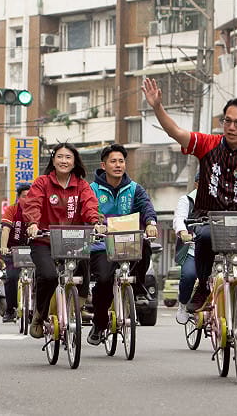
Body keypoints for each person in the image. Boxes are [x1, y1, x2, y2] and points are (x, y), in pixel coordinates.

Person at [143, 78, 237, 360]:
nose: (231, 126)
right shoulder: (207, 144)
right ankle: (204, 287)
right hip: (209, 219)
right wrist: (157, 107)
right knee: (204, 236)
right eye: (227, 120)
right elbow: (177, 133)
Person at [23, 143, 104, 339]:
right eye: (60, 157)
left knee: (85, 265)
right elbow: (32, 204)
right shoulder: (42, 182)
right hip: (43, 240)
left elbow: (90, 206)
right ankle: (39, 315)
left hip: (72, 241)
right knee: (49, 276)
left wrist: (95, 222)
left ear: (74, 161)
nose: (64, 161)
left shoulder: (82, 185)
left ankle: (79, 304)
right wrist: (33, 224)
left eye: (68, 157)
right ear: (53, 160)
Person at [86, 144, 159, 346]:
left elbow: (146, 207)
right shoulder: (91, 190)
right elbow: (87, 211)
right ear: (104, 165)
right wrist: (94, 223)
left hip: (129, 241)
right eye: (113, 161)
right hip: (102, 245)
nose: (118, 165)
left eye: (121, 161)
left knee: (145, 246)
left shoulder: (135, 188)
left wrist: (151, 223)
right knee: (103, 281)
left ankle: (137, 286)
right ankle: (99, 324)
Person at [0, 183, 32, 323]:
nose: (28, 199)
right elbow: (6, 230)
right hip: (13, 251)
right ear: (18, 198)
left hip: (33, 250)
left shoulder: (37, 210)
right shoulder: (11, 210)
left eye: (30, 196)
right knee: (11, 277)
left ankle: (35, 309)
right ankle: (10, 309)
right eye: (25, 196)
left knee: (41, 278)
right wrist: (3, 247)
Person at [173, 171, 199, 325]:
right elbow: (179, 219)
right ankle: (183, 304)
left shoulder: (220, 198)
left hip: (218, 249)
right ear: (196, 183)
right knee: (189, 275)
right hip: (194, 248)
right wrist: (183, 232)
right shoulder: (187, 200)